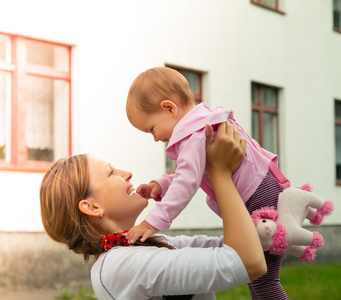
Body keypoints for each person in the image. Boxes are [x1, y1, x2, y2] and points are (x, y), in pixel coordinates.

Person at [40, 122, 266, 300]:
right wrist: (219, 172)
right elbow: (248, 262)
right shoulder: (118, 266)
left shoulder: (146, 245)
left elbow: (245, 246)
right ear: (91, 207)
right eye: (110, 173)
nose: (127, 173)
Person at [126, 66, 290, 299]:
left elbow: (187, 181)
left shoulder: (194, 134)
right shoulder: (203, 124)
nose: (155, 138)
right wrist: (161, 185)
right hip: (265, 189)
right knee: (260, 280)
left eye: (151, 129)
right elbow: (192, 173)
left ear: (169, 108)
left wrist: (152, 223)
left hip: (257, 197)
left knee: (264, 282)